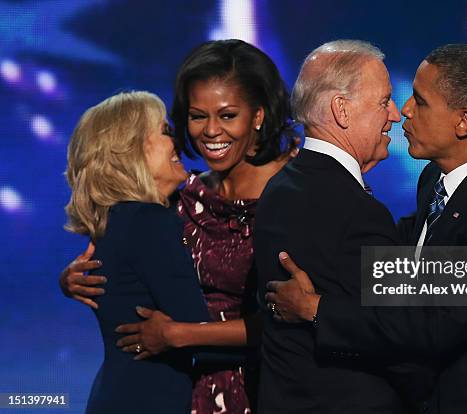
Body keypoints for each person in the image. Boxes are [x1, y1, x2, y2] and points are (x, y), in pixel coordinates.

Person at [264, 44, 467, 413]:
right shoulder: (434, 180)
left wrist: (315, 309)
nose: (404, 110)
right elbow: (400, 259)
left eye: (421, 102)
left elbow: (437, 324)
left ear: (464, 122)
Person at [59, 39, 297, 413]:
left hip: (269, 388)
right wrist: (74, 278)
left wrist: (179, 335)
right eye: (197, 116)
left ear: (258, 116)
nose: (210, 131)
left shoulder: (297, 192)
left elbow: (302, 315)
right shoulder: (183, 199)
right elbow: (129, 259)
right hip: (187, 393)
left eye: (228, 115)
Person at [253, 40, 409, 413]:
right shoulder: (355, 209)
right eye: (384, 100)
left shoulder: (281, 186)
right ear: (341, 110)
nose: (396, 115)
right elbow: (398, 329)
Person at [64, 91, 211, 413]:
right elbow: (201, 331)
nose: (178, 143)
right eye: (165, 131)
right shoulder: (149, 223)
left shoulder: (119, 220)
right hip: (151, 399)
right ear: (130, 151)